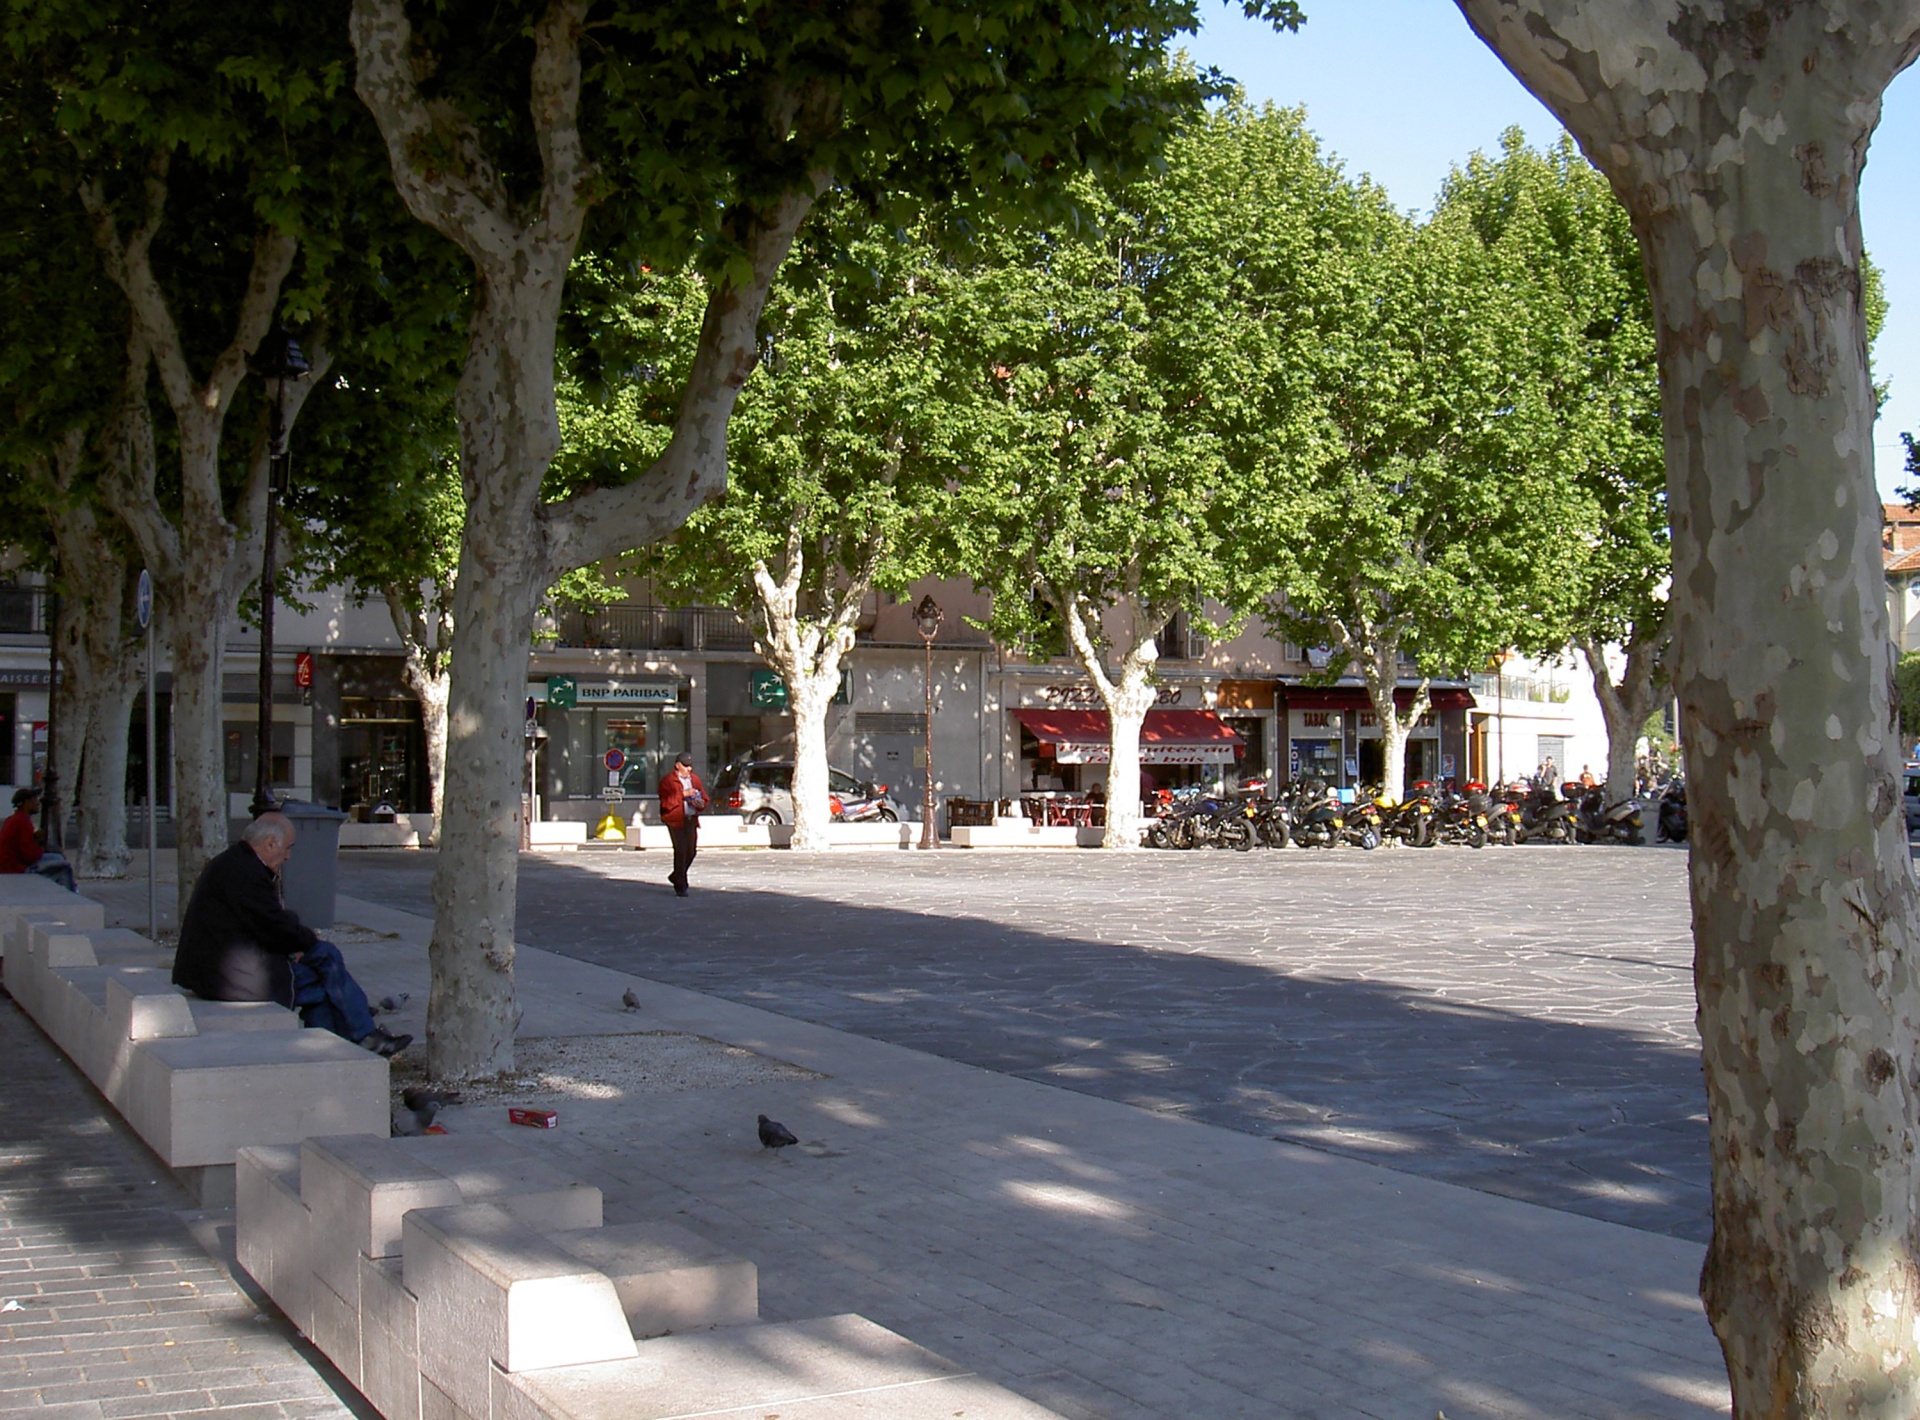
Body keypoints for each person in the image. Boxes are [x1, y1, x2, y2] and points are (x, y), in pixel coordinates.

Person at [171, 813, 410, 1056]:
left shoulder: (235, 864)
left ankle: (336, 1044)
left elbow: (268, 922)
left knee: (321, 983)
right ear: (270, 843)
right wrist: (304, 943)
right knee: (325, 957)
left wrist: (295, 942)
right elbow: (274, 924)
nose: (288, 856)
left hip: (218, 971)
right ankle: (360, 1033)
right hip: (227, 978)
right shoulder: (245, 873)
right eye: (287, 848)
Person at [0, 786, 75, 890]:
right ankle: (71, 895)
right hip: (17, 869)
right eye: (34, 800)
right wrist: (38, 843)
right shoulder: (22, 822)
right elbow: (30, 856)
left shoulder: (13, 819)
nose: (38, 803)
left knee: (57, 857)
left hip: (11, 866)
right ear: (26, 803)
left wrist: (34, 840)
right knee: (64, 867)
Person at [657, 752, 707, 898]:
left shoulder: (695, 780)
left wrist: (701, 803)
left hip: (691, 818)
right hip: (675, 820)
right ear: (677, 766)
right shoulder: (668, 781)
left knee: (691, 851)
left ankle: (676, 875)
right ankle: (681, 886)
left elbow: (704, 797)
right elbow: (666, 803)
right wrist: (683, 794)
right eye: (685, 766)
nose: (689, 769)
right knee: (680, 851)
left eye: (690, 766)